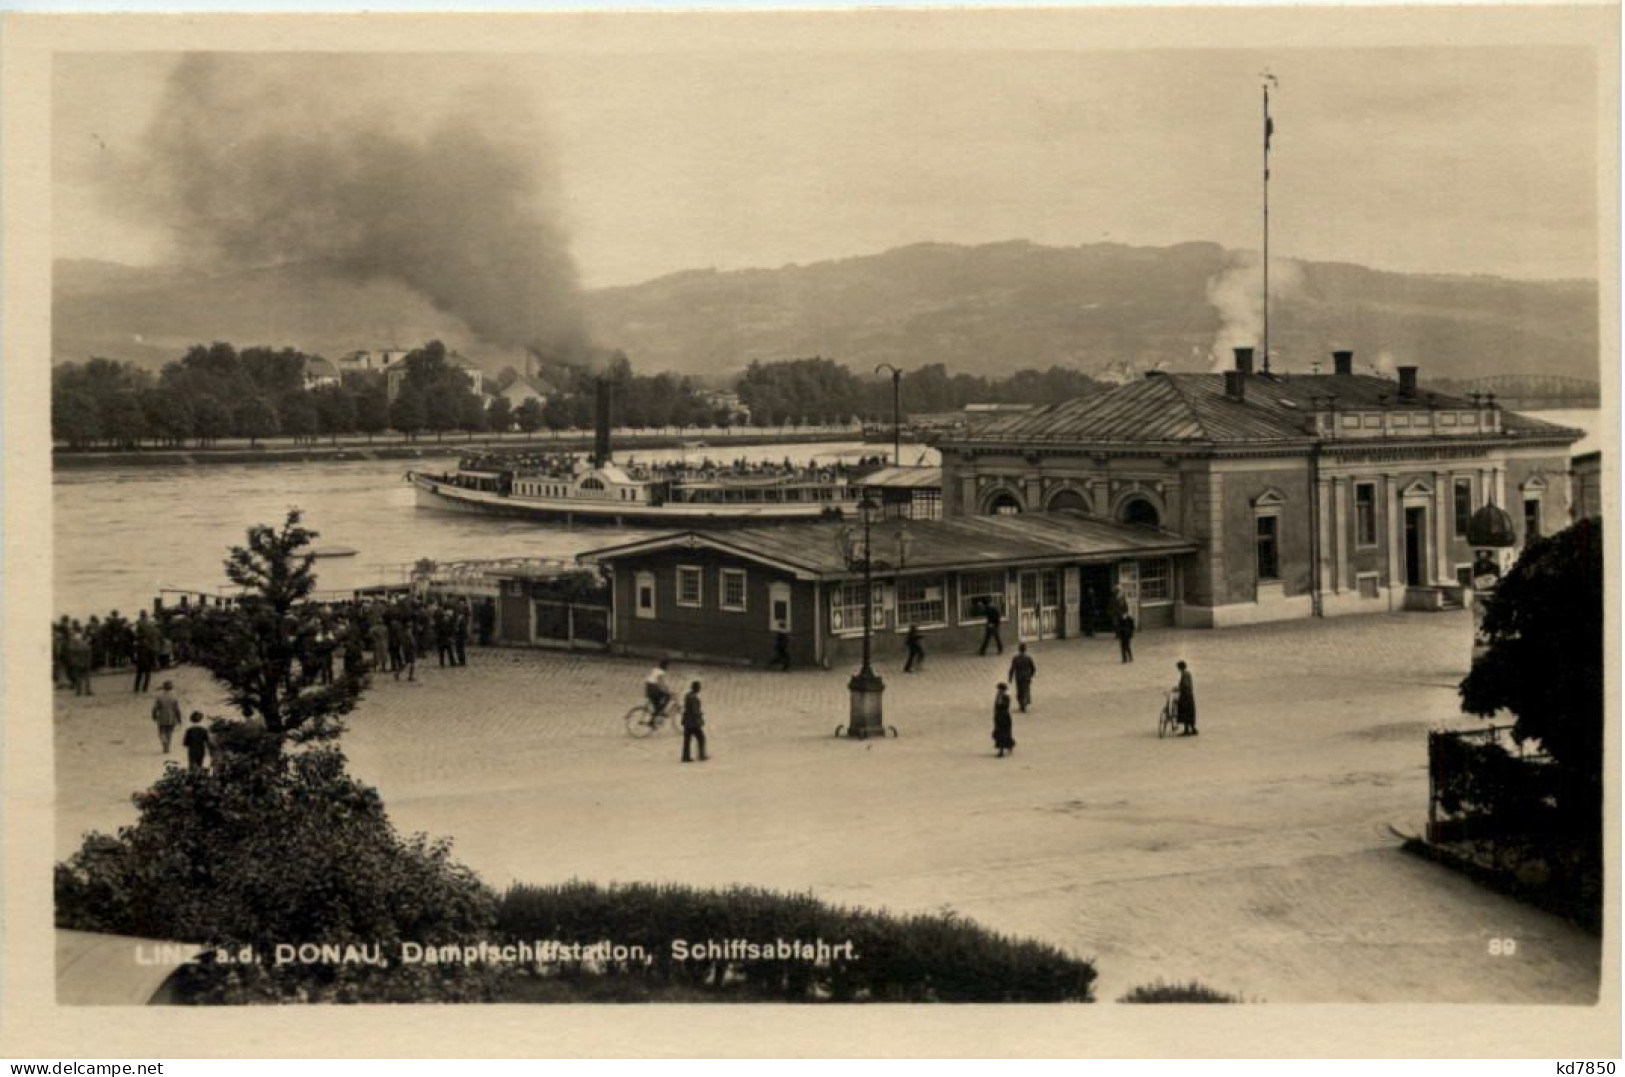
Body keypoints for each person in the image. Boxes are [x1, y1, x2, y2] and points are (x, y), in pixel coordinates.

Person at [151, 680, 182, 754]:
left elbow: (155, 708)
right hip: (171, 717)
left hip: (162, 716)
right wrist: (179, 719)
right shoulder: (174, 696)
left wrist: (154, 715)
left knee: (161, 732)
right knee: (169, 732)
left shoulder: (159, 696)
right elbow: (177, 709)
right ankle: (167, 747)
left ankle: (164, 744)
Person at [681, 680, 708, 763]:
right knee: (701, 738)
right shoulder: (694, 698)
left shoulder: (687, 696)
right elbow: (695, 711)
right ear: (697, 688)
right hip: (693, 723)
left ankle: (685, 756)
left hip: (686, 721)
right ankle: (701, 755)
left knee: (687, 740)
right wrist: (701, 719)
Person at [1008, 643, 1037, 712]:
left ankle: (1021, 703)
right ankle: (1025, 702)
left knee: (1020, 690)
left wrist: (1010, 677)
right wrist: (1031, 675)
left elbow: (1012, 668)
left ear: (1019, 649)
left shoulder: (1015, 658)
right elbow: (1033, 668)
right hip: (1026, 677)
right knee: (1026, 690)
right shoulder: (1028, 658)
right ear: (1025, 649)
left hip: (1019, 677)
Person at [991, 682, 1015, 758]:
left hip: (1004, 718)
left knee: (1004, 734)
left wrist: (1001, 702)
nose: (999, 691)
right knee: (999, 734)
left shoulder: (1006, 697)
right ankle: (1004, 748)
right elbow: (996, 707)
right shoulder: (998, 696)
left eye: (1000, 689)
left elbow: (1005, 707)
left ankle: (1003, 749)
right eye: (998, 690)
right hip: (998, 718)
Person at [1175, 660, 1197, 736]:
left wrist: (1178, 689)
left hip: (1185, 696)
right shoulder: (1188, 674)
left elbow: (1185, 686)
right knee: (1190, 712)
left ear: (1180, 667)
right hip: (1189, 695)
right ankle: (1193, 729)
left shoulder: (1184, 674)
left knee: (1185, 712)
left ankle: (1186, 731)